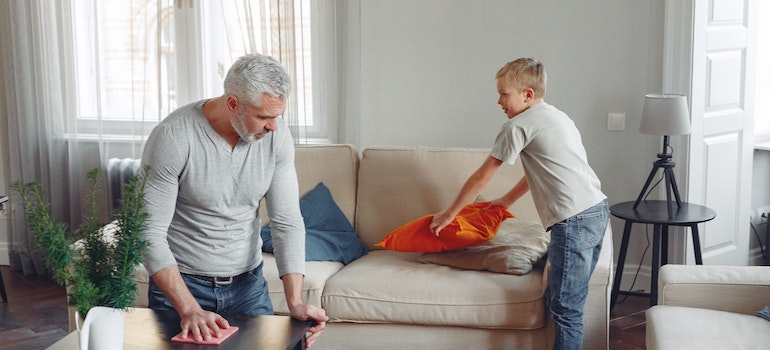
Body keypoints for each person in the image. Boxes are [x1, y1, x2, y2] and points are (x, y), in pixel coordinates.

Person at [140, 53, 328, 346]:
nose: (273, 127)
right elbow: (148, 232)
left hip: (248, 286)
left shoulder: (276, 138)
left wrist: (295, 302)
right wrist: (189, 308)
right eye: (264, 117)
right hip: (183, 286)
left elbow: (287, 221)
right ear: (232, 104)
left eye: (277, 116)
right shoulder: (173, 137)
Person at [429, 57, 608, 350]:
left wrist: (450, 214)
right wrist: (505, 200)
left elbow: (479, 179)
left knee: (566, 309)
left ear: (527, 94)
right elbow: (541, 170)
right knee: (564, 300)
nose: (499, 101)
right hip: (597, 211)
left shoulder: (518, 125)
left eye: (504, 94)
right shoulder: (558, 117)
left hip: (574, 221)